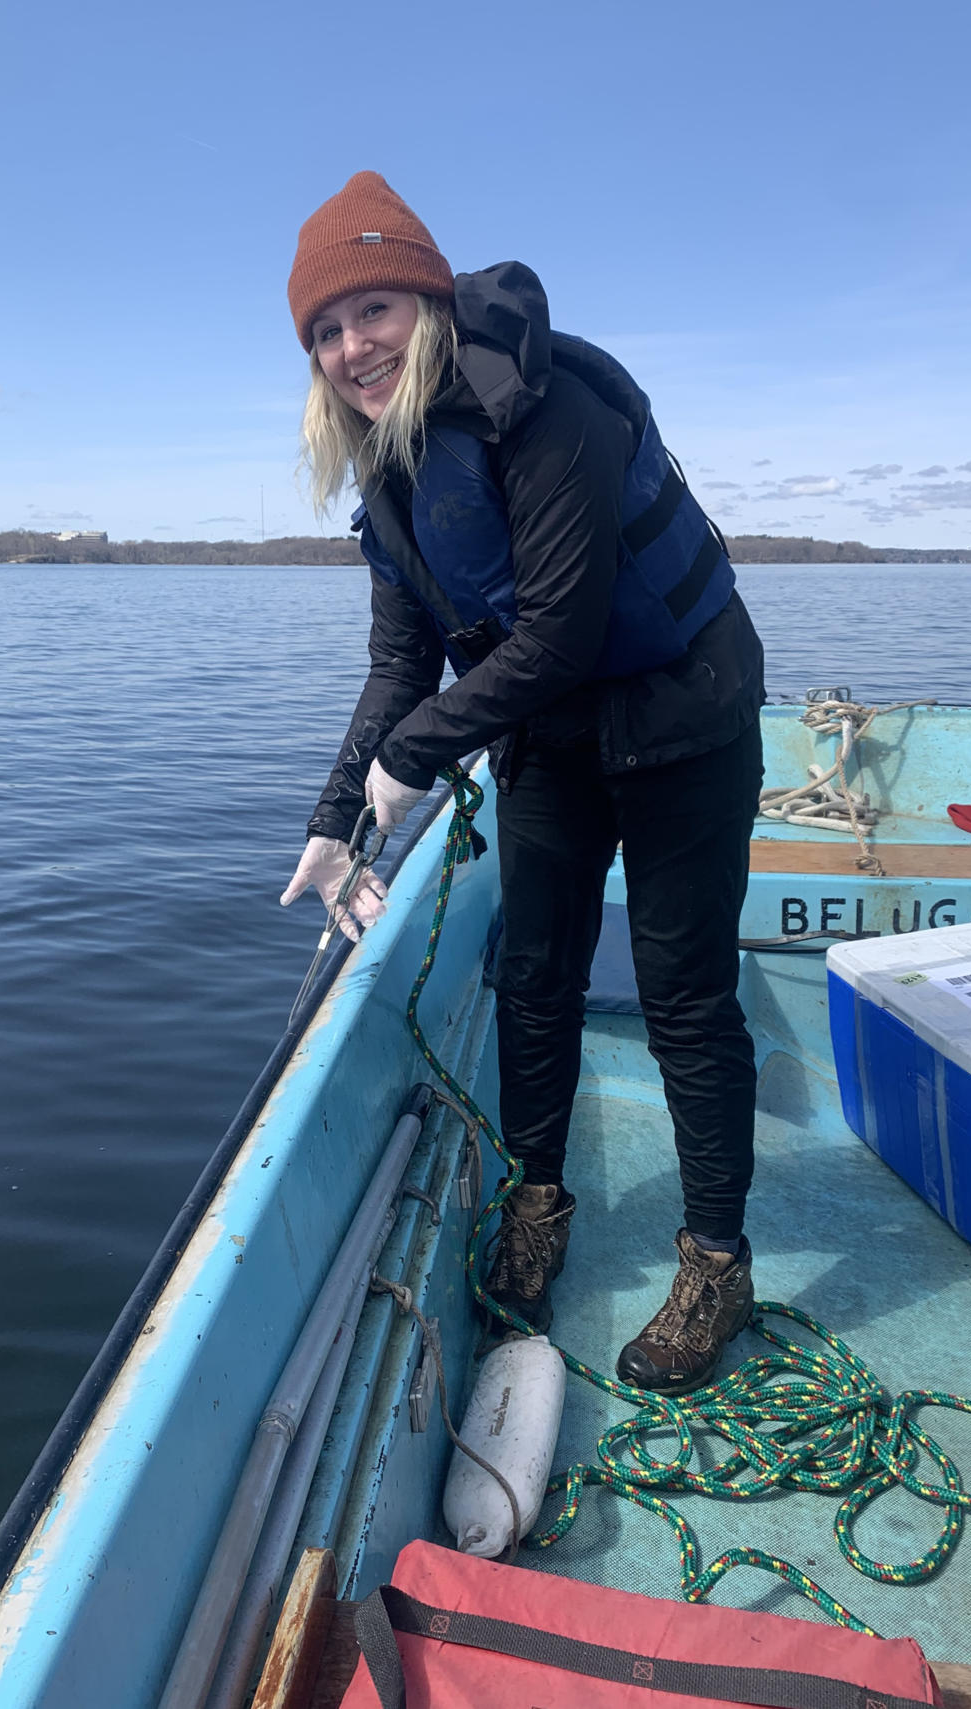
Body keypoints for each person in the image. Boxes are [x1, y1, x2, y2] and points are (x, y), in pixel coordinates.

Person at [279, 172, 766, 1395]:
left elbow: (557, 624)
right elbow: (402, 660)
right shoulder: (389, 473)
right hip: (550, 738)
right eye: (326, 330)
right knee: (535, 978)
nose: (353, 346)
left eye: (374, 308)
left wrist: (414, 755)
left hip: (685, 723)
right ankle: (537, 1197)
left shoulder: (549, 408)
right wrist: (337, 820)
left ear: (431, 302)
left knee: (683, 996)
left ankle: (716, 1259)